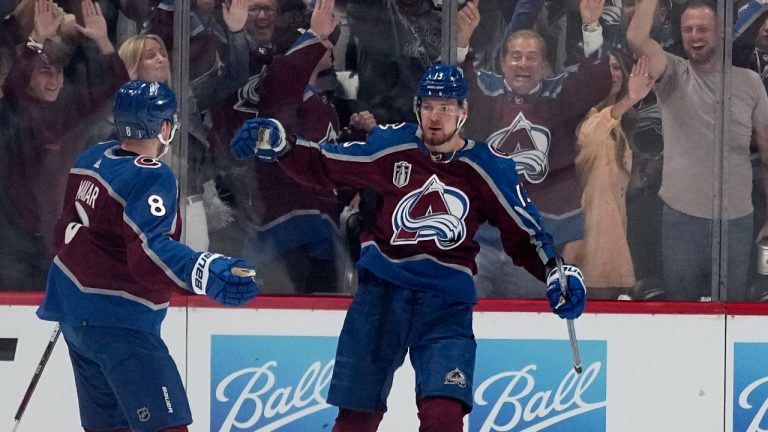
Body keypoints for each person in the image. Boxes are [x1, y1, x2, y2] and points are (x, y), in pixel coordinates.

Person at [230, 64, 586, 431]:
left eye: (446, 107)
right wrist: (282, 145)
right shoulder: (390, 146)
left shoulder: (487, 168)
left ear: (463, 113)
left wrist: (556, 273)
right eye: (429, 106)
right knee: (355, 420)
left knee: (444, 418)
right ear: (417, 108)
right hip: (381, 298)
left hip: (445, 308)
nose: (436, 117)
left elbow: (526, 236)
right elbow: (326, 164)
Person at [36, 80, 261, 431]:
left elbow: (63, 233)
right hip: (121, 324)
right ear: (166, 127)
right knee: (166, 426)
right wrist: (203, 268)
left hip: (74, 315)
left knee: (112, 427)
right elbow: (149, 251)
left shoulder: (90, 158)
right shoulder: (151, 175)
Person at [627, 0, 768, 301]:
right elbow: (637, 39)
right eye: (688, 29)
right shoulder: (672, 73)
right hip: (682, 221)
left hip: (737, 222)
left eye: (702, 28)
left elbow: (767, 153)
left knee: (732, 312)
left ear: (720, 33)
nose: (694, 35)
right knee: (682, 313)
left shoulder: (751, 83)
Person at [569, 54, 655, 299]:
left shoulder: (622, 124)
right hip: (587, 240)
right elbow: (590, 135)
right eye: (605, 69)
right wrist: (631, 99)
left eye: (617, 68)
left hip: (613, 235)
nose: (613, 74)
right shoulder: (581, 116)